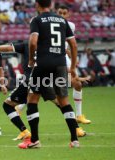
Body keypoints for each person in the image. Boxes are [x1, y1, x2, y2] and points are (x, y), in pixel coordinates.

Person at [18, 0, 80, 149]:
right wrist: (72, 67)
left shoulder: (37, 20)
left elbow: (33, 42)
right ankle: (75, 140)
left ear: (37, 5)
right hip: (60, 64)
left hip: (43, 63)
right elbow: (73, 44)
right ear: (51, 5)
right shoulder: (62, 20)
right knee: (64, 101)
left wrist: (32, 58)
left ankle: (35, 140)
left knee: (32, 99)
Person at [57, 5, 91, 124]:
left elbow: (68, 44)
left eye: (64, 13)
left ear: (68, 14)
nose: (61, 15)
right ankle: (18, 107)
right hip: (53, 56)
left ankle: (79, 115)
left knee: (77, 84)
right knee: (41, 87)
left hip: (63, 56)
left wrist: (71, 57)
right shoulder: (51, 25)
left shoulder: (70, 26)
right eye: (59, 12)